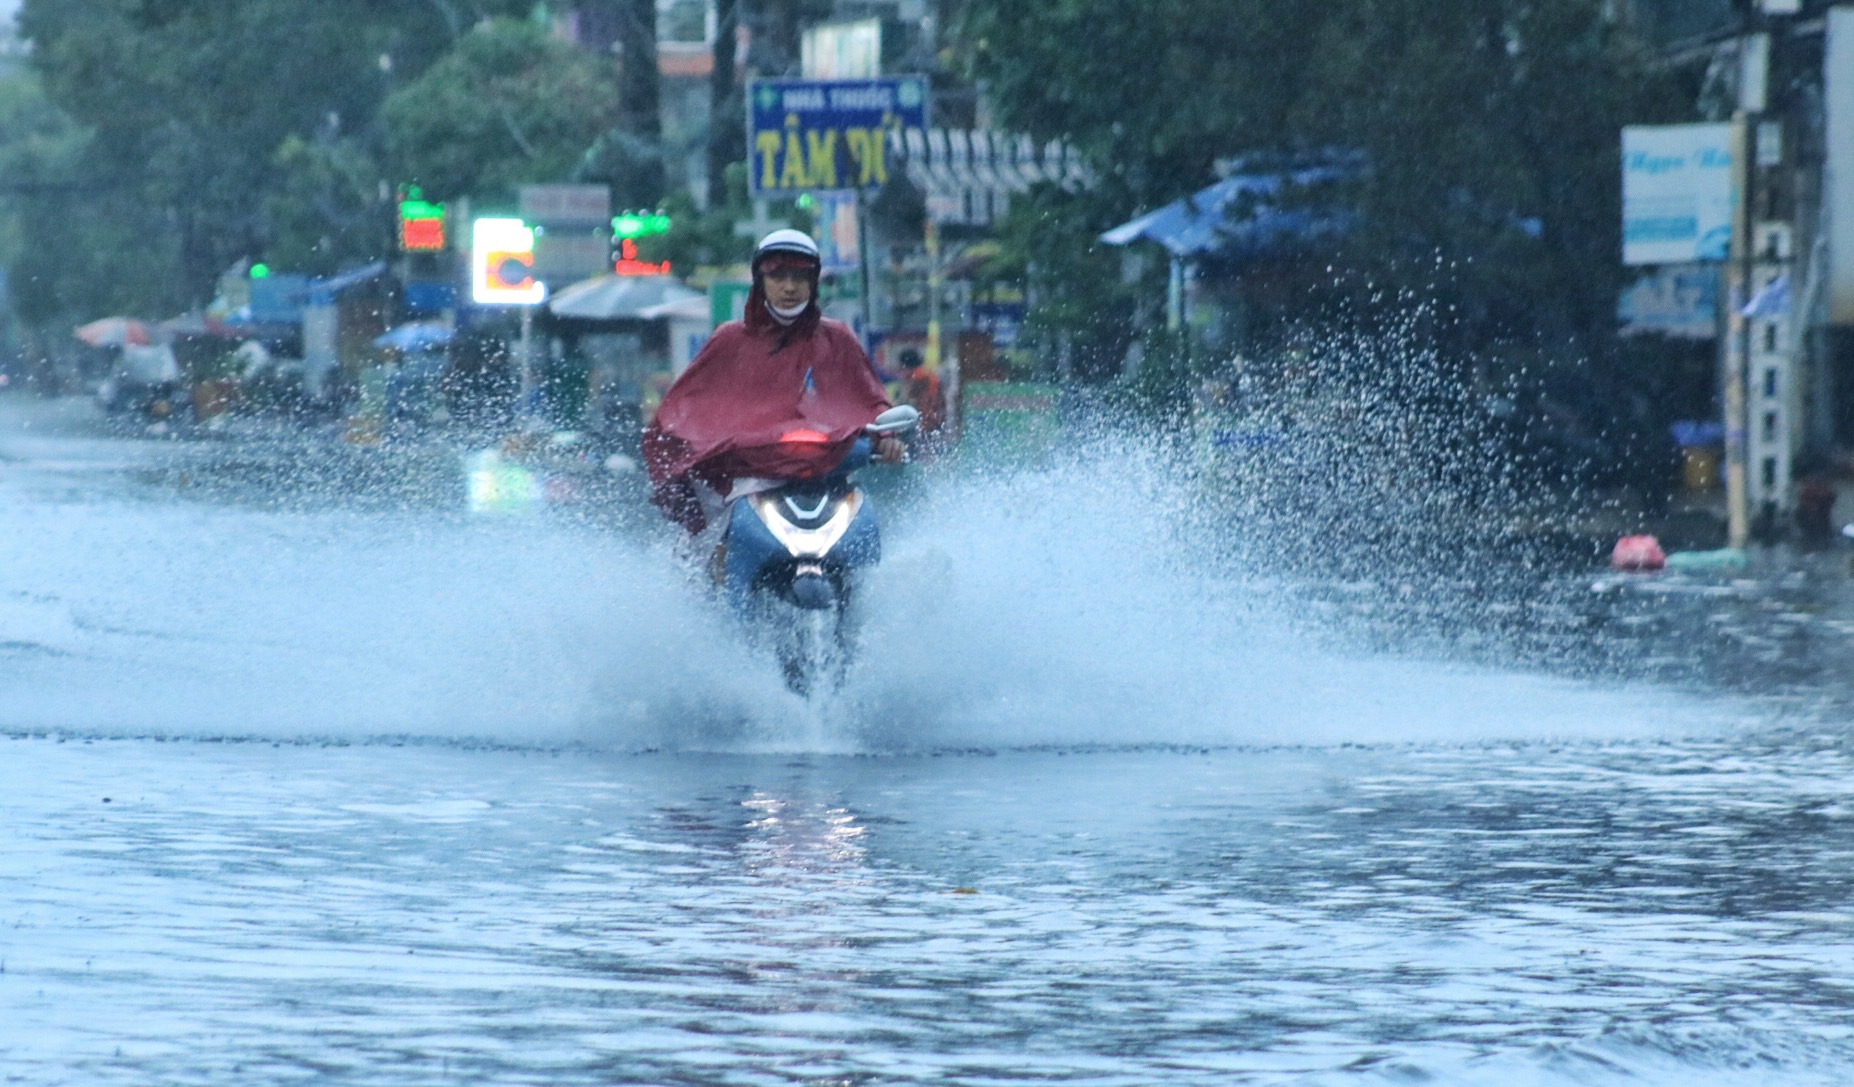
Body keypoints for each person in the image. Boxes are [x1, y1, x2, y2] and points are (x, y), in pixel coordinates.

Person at [643, 229, 903, 537]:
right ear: (761, 281)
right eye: (778, 276)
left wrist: (887, 436)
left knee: (866, 532)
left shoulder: (837, 339)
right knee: (714, 542)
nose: (789, 287)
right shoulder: (729, 340)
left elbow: (869, 401)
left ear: (813, 281)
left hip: (826, 478)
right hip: (746, 480)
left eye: (799, 277)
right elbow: (687, 408)